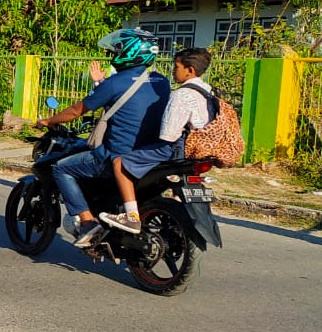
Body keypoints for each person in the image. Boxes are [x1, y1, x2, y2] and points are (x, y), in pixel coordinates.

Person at [35, 28, 169, 247]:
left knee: (61, 168)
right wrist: (100, 83)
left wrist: (49, 121)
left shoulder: (115, 83)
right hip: (150, 154)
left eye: (117, 49)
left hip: (116, 154)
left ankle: (87, 222)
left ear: (128, 51)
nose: (113, 54)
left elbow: (77, 110)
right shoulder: (160, 81)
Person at [99, 48, 215, 235]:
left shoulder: (181, 95)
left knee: (120, 163)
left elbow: (168, 134)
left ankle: (131, 218)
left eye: (176, 67)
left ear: (190, 70)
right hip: (198, 152)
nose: (172, 71)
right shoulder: (208, 91)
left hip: (174, 149)